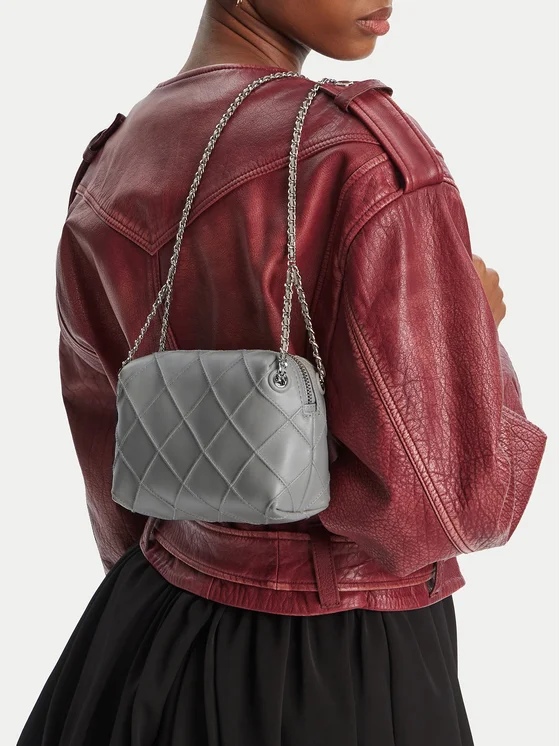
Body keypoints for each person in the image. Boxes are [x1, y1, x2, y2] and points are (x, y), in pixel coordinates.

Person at [17, 1, 548, 745]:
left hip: (143, 636)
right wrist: (471, 329)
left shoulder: (115, 159)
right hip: (339, 661)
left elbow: (116, 485)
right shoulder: (359, 156)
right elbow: (460, 503)